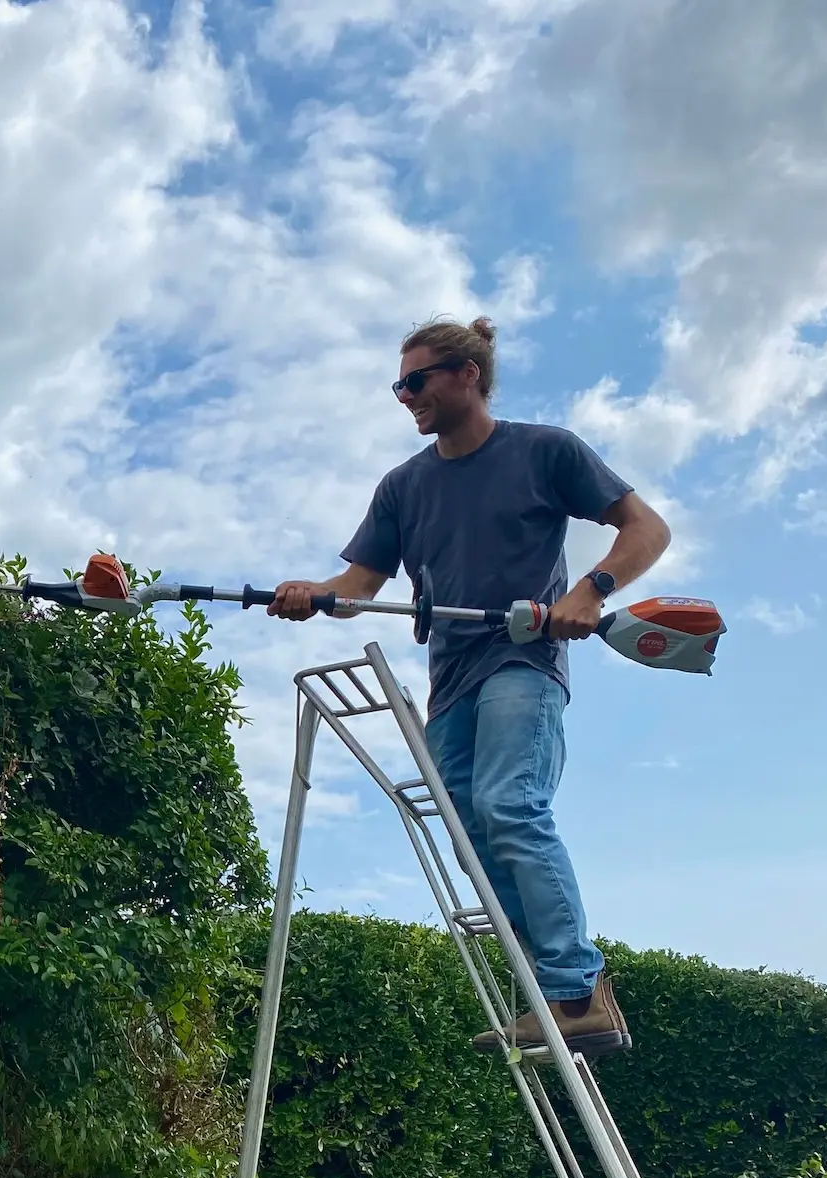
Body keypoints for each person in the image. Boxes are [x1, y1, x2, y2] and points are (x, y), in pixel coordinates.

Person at [268, 316, 672, 1057]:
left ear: (468, 375)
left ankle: (576, 991)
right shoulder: (404, 487)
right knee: (470, 835)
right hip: (450, 683)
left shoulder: (544, 451)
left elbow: (646, 528)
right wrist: (311, 595)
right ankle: (559, 992)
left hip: (523, 663)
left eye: (416, 381)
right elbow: (358, 586)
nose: (405, 397)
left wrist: (590, 590)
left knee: (508, 804)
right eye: (398, 386)